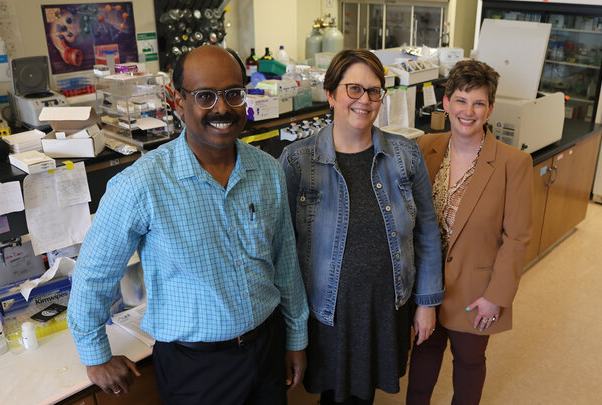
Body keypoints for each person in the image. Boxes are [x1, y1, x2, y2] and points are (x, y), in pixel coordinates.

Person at [67, 45, 309, 405]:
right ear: (178, 102)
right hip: (196, 368)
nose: (222, 108)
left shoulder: (268, 170)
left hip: (266, 347)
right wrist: (95, 354)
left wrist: (295, 338)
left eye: (233, 94)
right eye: (205, 96)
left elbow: (285, 263)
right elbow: (93, 273)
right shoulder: (142, 185)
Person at [279, 49, 444, 405]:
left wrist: (426, 302)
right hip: (327, 309)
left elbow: (427, 231)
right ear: (331, 93)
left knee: (363, 394)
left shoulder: (405, 155)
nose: (364, 100)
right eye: (353, 89)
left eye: (374, 91)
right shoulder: (297, 160)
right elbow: (282, 247)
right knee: (334, 394)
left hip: (385, 304)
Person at [406, 59, 532, 405]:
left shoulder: (513, 164)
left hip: (477, 293)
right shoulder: (424, 148)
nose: (468, 111)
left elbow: (517, 237)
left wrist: (497, 296)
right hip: (426, 288)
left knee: (469, 363)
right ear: (445, 103)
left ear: (490, 109)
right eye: (461, 100)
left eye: (479, 103)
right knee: (423, 358)